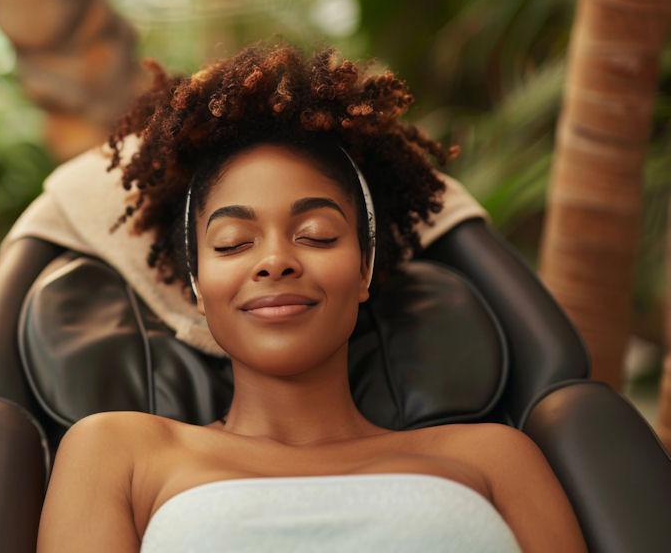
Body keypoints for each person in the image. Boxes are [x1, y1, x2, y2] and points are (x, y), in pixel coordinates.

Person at [35, 42, 586, 552]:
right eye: (233, 243)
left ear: (365, 267)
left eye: (317, 235)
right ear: (198, 287)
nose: (276, 260)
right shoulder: (117, 454)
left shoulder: (495, 459)